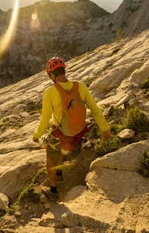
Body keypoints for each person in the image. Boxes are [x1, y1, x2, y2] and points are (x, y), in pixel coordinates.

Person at [33, 57, 111, 200]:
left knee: (50, 155)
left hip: (64, 133)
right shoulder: (80, 86)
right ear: (64, 71)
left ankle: (53, 190)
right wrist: (104, 128)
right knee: (61, 147)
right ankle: (59, 173)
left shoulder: (50, 92)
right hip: (78, 133)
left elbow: (44, 120)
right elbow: (94, 109)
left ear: (51, 75)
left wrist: (37, 135)